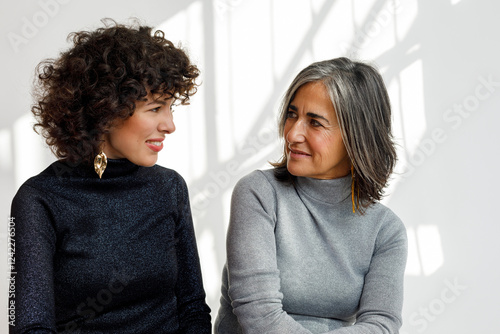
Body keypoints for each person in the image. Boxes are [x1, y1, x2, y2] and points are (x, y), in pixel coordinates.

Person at [10, 20, 211, 334]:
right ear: (106, 110)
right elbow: (31, 326)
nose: (170, 125)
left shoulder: (169, 187)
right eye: (156, 108)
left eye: (171, 107)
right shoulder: (40, 199)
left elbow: (193, 307)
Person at [215, 57, 408, 334]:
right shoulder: (258, 193)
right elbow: (259, 317)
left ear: (356, 137)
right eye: (292, 115)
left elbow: (381, 325)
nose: (292, 134)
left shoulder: (386, 231)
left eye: (315, 123)